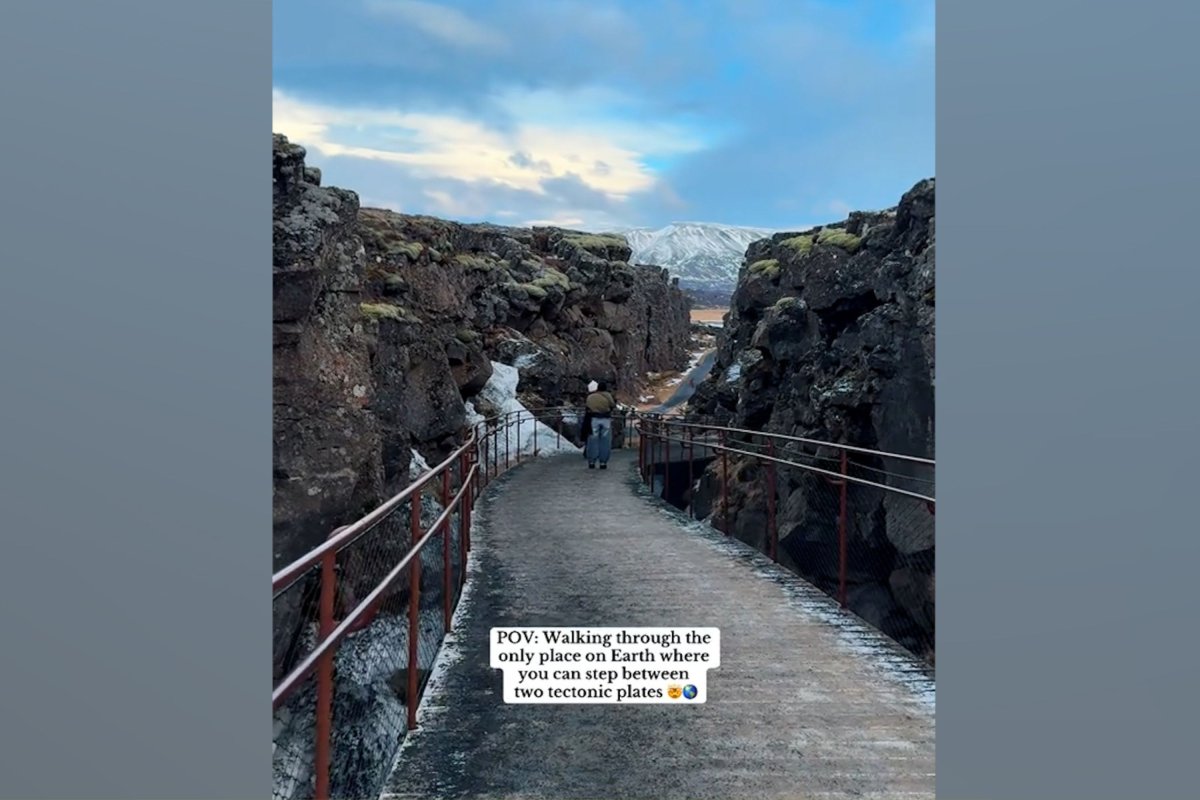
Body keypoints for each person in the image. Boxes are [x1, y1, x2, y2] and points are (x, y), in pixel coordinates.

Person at [584, 380, 618, 469]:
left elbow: (587, 406)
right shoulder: (607, 395)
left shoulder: (591, 397)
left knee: (592, 440)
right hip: (605, 419)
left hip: (593, 419)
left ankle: (591, 461)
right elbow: (612, 404)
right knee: (605, 441)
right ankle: (603, 462)